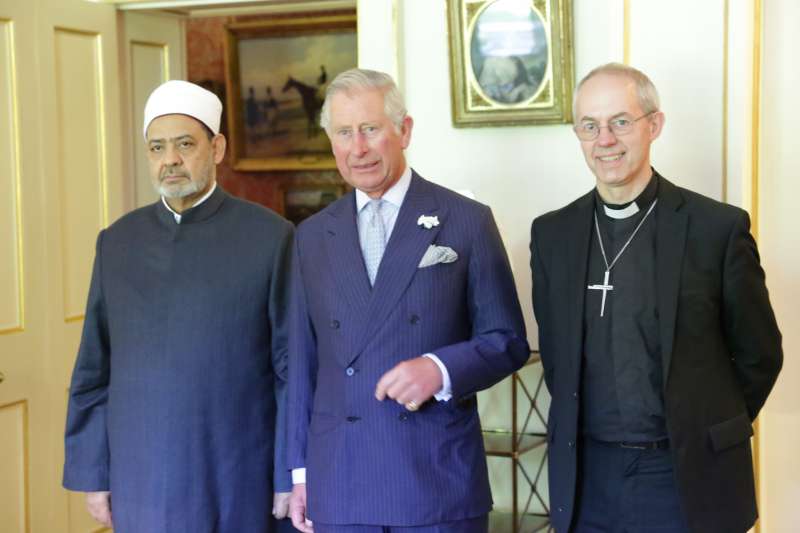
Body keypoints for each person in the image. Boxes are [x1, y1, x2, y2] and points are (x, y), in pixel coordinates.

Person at [530, 63, 783, 533]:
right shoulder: (552, 235)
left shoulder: (716, 230)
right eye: (590, 126)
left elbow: (760, 354)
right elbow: (557, 358)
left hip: (684, 474)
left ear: (654, 125)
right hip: (589, 479)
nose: (604, 139)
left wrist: (707, 424)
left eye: (620, 122)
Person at [287, 68, 529, 533]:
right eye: (343, 133)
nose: (357, 148)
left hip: (435, 480)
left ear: (405, 130)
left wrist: (439, 369)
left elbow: (507, 341)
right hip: (341, 481)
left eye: (371, 129)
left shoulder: (466, 221)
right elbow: (303, 363)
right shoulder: (311, 236)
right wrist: (300, 472)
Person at [63, 80, 294, 532]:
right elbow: (94, 366)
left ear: (217, 147)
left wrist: (290, 471)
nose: (170, 160)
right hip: (141, 476)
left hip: (240, 471)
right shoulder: (118, 242)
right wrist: (94, 474)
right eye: (157, 147)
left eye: (185, 144)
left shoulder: (271, 237)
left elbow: (292, 367)